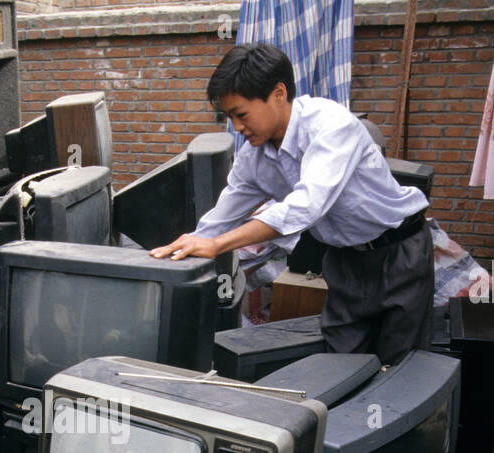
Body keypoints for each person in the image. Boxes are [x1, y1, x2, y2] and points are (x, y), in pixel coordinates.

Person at [150, 43, 434, 366]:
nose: (237, 128)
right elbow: (219, 219)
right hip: (345, 262)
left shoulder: (330, 125)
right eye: (230, 117)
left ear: (278, 93)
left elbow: (305, 205)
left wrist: (217, 245)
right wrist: (176, 255)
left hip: (400, 253)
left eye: (241, 115)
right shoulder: (253, 158)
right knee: (341, 363)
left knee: (401, 369)